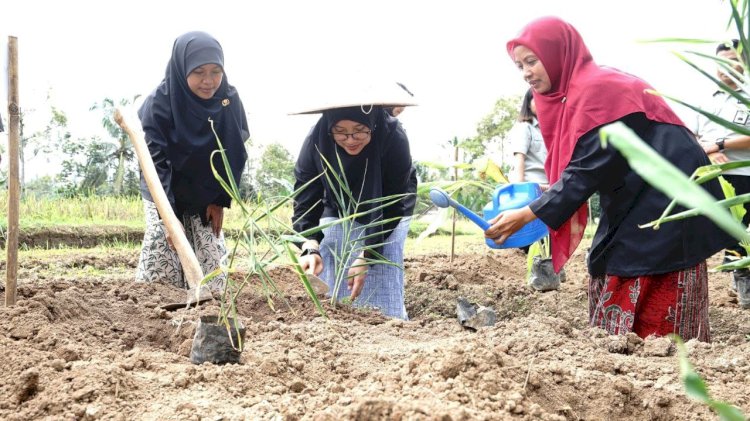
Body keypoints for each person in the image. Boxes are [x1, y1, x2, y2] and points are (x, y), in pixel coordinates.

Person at [486, 16, 735, 341]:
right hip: (635, 186)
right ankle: (619, 342)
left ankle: (666, 349)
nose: (526, 72)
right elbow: (585, 167)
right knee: (607, 253)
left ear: (557, 53)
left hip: (671, 189)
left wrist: (528, 213)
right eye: (519, 66)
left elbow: (584, 171)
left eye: (532, 61)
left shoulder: (597, 91)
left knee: (643, 252)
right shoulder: (578, 92)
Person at [135, 31, 249, 292]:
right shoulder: (159, 104)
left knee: (211, 258)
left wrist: (220, 199)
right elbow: (155, 165)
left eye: (215, 71)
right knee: (164, 251)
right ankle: (155, 313)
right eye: (199, 72)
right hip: (163, 188)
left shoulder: (227, 99)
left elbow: (233, 152)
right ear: (182, 68)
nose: (208, 81)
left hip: (205, 189)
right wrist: (169, 218)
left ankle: (208, 307)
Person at [293, 105, 416, 319]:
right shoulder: (317, 137)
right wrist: (309, 244)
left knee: (381, 270)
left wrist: (367, 254)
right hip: (337, 202)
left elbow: (393, 203)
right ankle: (339, 323)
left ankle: (390, 324)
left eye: (359, 130)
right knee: (335, 259)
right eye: (340, 131)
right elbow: (306, 196)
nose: (350, 139)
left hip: (388, 207)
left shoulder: (393, 137)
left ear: (373, 125)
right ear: (330, 127)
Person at [693, 39, 750, 309]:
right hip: (711, 174)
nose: (727, 67)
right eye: (721, 62)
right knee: (723, 229)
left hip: (744, 173)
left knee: (743, 227)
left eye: (733, 60)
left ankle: (743, 276)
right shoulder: (703, 100)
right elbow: (691, 135)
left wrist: (721, 144)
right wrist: (709, 151)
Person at [509, 88, 549, 190]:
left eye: (545, 98)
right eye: (537, 99)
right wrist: (521, 189)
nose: (542, 102)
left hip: (549, 188)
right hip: (532, 190)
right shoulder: (524, 126)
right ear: (528, 104)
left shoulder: (548, 130)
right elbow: (519, 158)